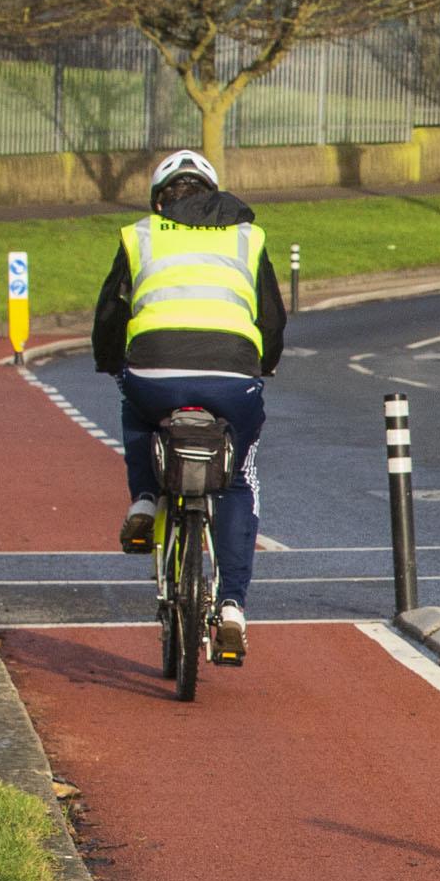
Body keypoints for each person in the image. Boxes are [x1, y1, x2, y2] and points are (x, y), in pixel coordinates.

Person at [94, 148, 285, 665]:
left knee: (135, 408)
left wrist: (112, 363)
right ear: (214, 193)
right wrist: (261, 365)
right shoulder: (249, 236)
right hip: (231, 376)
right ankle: (230, 608)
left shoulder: (139, 236)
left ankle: (143, 500)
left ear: (159, 202)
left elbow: (112, 313)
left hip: (154, 371)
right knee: (238, 479)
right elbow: (270, 316)